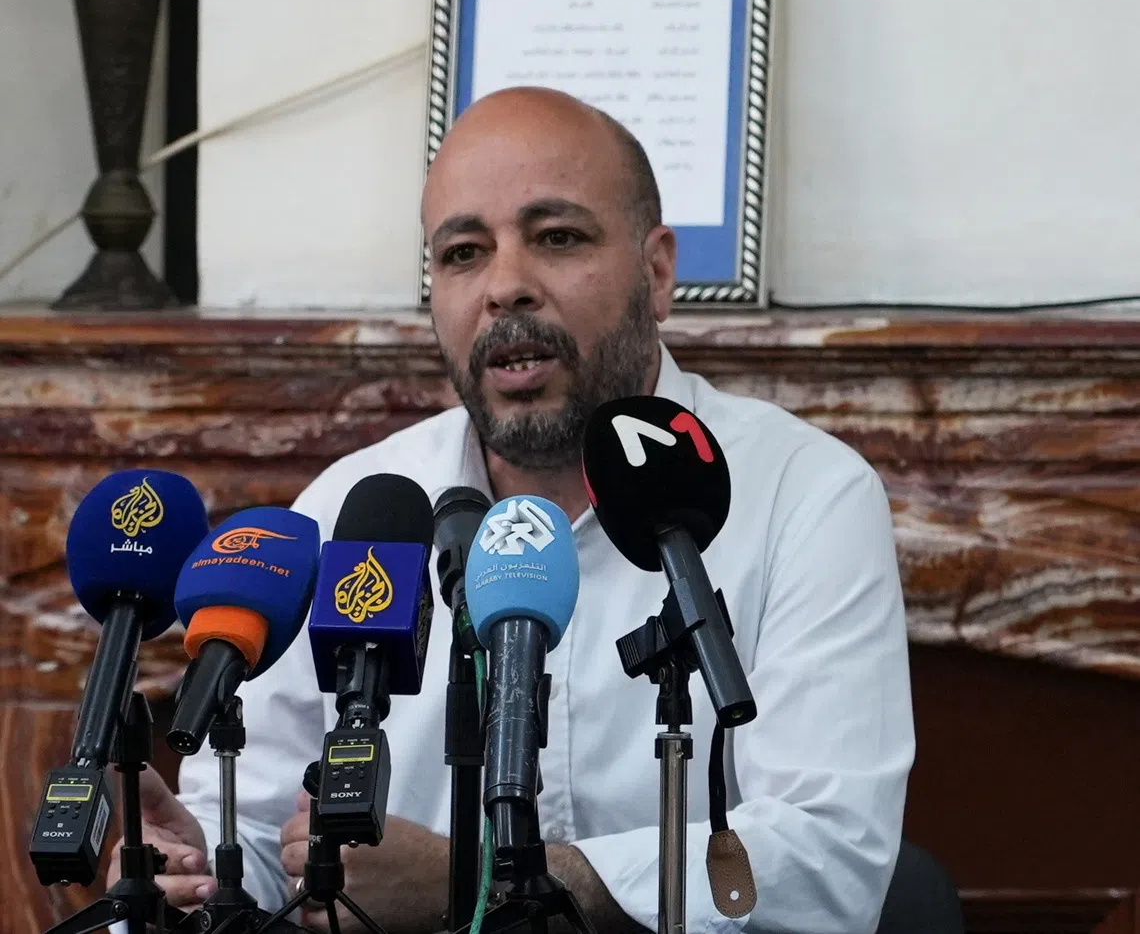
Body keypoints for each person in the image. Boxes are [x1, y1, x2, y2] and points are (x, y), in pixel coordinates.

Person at [112, 87, 914, 934]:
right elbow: (268, 832)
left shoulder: (804, 495)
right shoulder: (360, 509)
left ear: (658, 270)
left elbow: (828, 859)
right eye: (463, 252)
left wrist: (480, 879)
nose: (505, 288)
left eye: (557, 238)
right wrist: (198, 873)